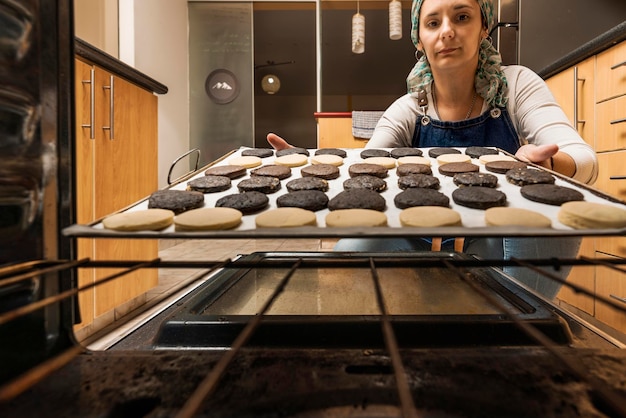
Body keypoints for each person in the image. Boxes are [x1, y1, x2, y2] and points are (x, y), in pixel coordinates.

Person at [266, 0, 598, 299]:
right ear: (419, 38)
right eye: (433, 23)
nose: (448, 32)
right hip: (420, 237)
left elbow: (585, 162)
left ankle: (516, 332)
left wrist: (550, 164)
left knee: (558, 217)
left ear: (484, 27)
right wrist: (307, 170)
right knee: (348, 257)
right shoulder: (409, 108)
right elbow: (363, 170)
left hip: (501, 234)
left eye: (462, 17)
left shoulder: (516, 87)